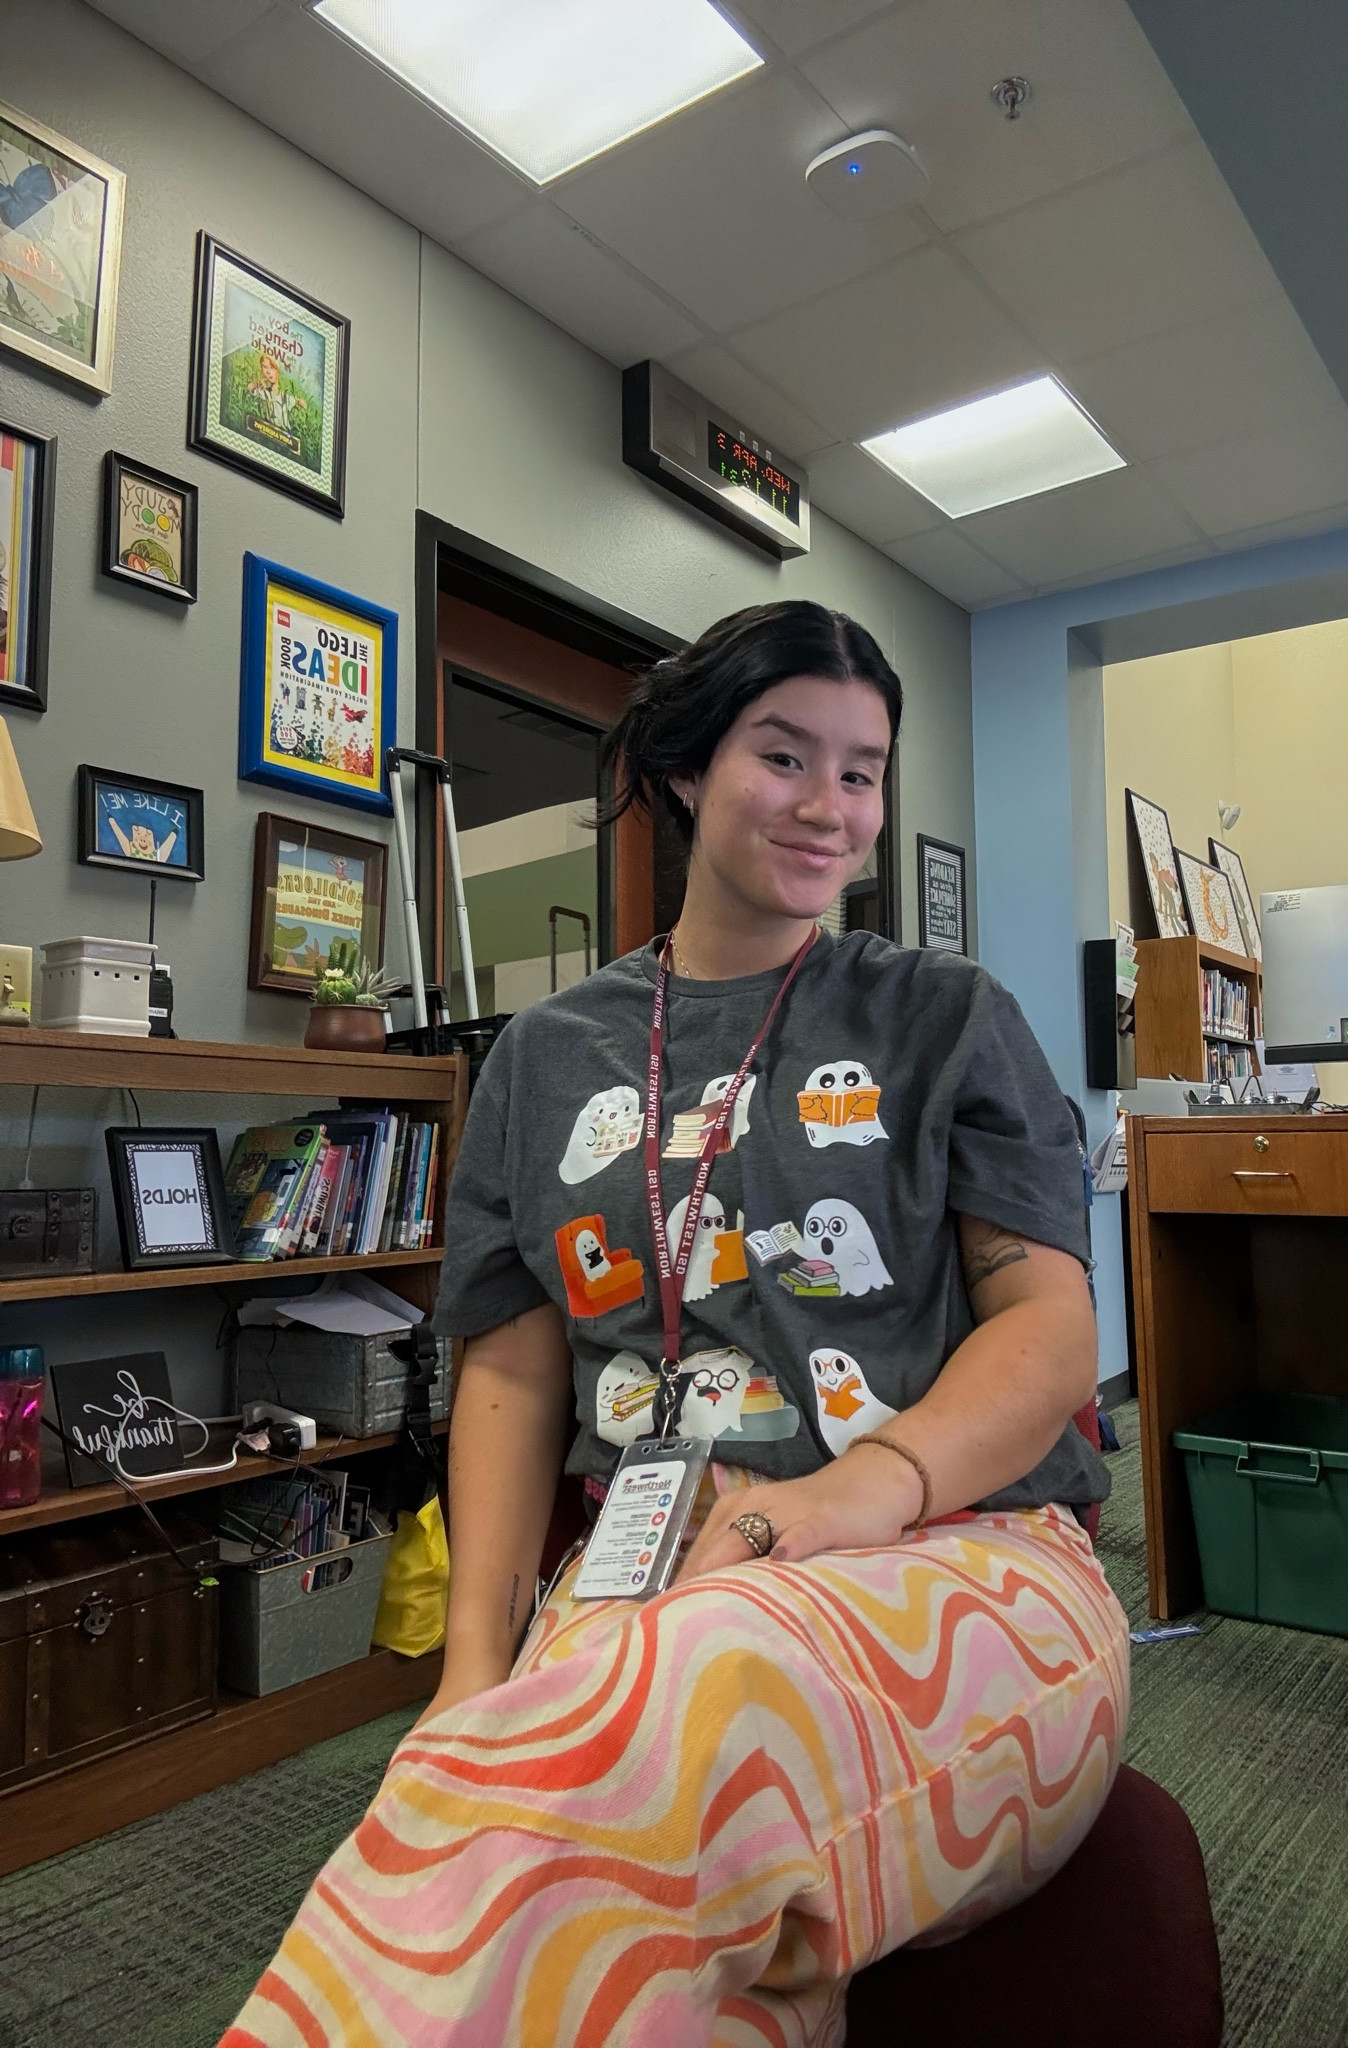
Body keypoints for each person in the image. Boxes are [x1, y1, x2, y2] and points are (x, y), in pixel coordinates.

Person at [225, 601, 1128, 2048]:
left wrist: (848, 1497)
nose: (831, 806)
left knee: (659, 1744)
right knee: (544, 1849)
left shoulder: (943, 1015)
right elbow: (514, 1369)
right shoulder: (545, 1056)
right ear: (691, 768)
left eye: (861, 772)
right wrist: (471, 1673)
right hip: (654, 1571)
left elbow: (1049, 1325)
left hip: (964, 1549)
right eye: (786, 755)